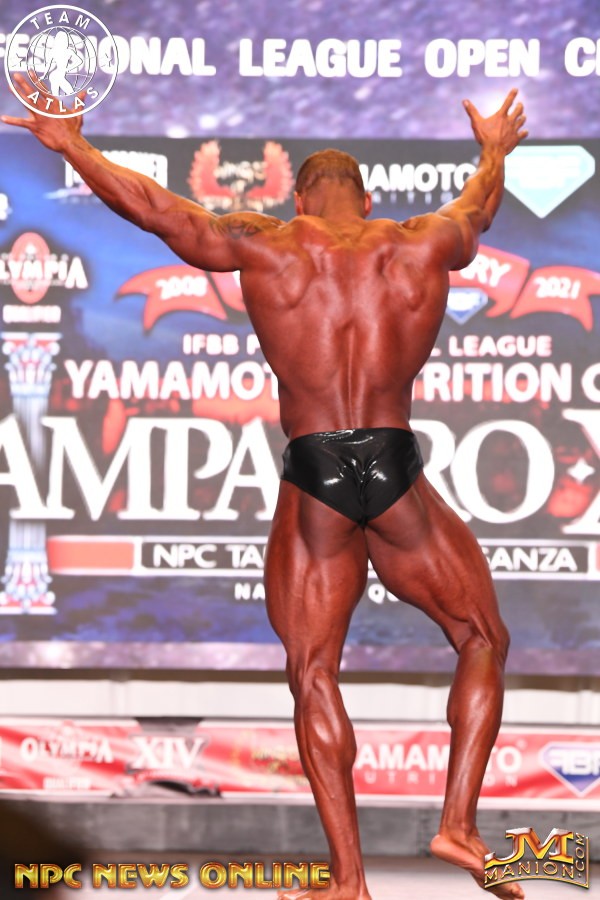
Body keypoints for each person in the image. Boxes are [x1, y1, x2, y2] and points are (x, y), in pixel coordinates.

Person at [2, 78, 527, 900]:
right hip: (392, 463)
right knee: (482, 636)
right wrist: (493, 150)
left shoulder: (268, 244)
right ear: (368, 198)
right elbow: (480, 206)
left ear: (298, 198)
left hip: (315, 470)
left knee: (314, 670)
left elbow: (158, 211)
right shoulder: (422, 241)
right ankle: (457, 822)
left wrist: (73, 146)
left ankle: (348, 880)